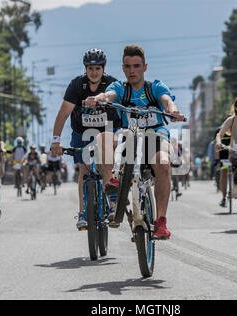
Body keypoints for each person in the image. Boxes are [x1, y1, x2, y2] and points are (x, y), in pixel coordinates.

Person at [84, 44, 186, 240]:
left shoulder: (154, 87)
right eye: (127, 66)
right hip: (128, 136)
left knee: (163, 163)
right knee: (102, 138)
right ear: (122, 68)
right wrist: (97, 98)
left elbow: (167, 100)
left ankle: (161, 222)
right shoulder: (120, 89)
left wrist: (173, 110)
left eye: (136, 66)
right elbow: (108, 95)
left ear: (144, 67)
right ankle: (112, 193)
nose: (132, 71)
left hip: (155, 136)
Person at [50, 48, 120, 230]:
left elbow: (125, 108)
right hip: (82, 132)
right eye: (90, 69)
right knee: (84, 169)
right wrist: (56, 140)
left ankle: (113, 207)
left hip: (109, 129)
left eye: (98, 68)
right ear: (85, 69)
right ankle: (82, 212)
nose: (94, 72)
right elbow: (63, 113)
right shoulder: (76, 85)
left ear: (103, 69)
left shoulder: (112, 84)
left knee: (106, 164)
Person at [213, 128, 231, 207]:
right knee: (223, 175)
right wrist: (217, 160)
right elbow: (216, 146)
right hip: (224, 157)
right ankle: (224, 198)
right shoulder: (219, 131)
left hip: (236, 155)